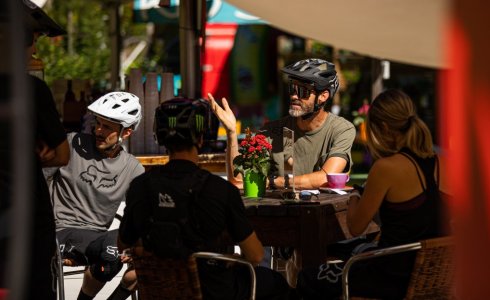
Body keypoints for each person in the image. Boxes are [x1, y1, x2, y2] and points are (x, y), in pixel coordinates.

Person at [118, 98, 293, 300]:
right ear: (201, 138)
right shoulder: (219, 190)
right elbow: (255, 255)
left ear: (159, 137)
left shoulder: (140, 187)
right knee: (275, 283)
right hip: (213, 291)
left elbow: (124, 244)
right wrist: (231, 258)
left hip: (160, 292)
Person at [296, 89, 450, 299]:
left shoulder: (386, 168)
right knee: (348, 251)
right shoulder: (442, 164)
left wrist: (355, 196)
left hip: (390, 278)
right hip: (433, 275)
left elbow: (356, 226)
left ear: (384, 128)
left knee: (308, 277)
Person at [0, 1, 71, 298]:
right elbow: (63, 154)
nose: (34, 53)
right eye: (34, 42)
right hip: (23, 217)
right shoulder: (31, 90)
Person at [47, 91, 144, 300]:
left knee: (145, 250)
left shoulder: (133, 168)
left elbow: (139, 213)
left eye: (107, 127)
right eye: (98, 123)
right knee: (114, 245)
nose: (98, 130)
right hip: (58, 232)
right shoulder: (71, 145)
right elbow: (36, 184)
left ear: (126, 133)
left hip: (98, 243)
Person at [207, 58, 356, 190]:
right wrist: (231, 133)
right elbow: (239, 179)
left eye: (302, 91)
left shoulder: (342, 130)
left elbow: (325, 178)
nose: (293, 96)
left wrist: (272, 181)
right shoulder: (272, 130)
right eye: (292, 88)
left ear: (323, 96)